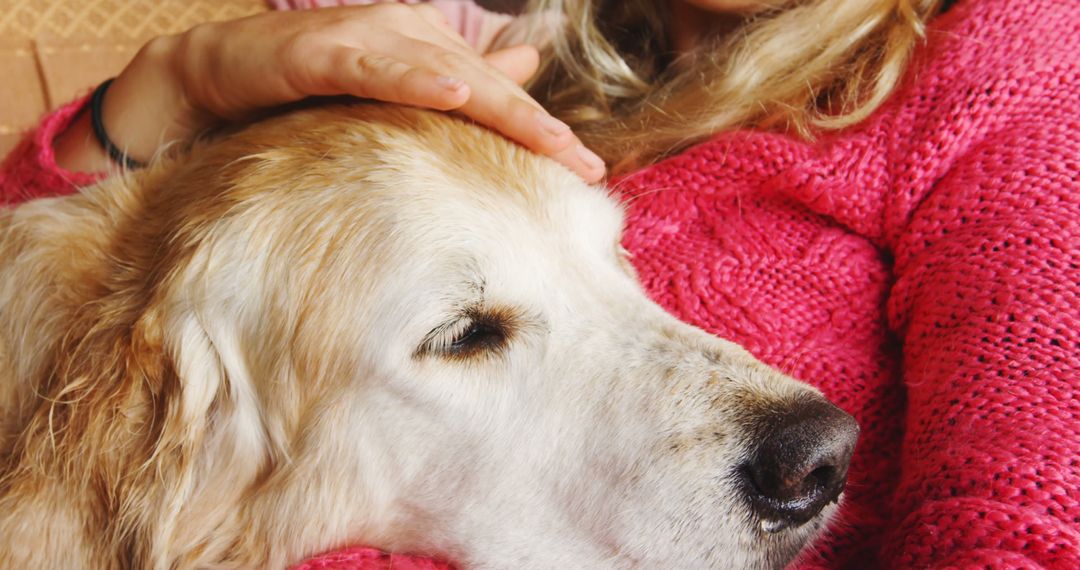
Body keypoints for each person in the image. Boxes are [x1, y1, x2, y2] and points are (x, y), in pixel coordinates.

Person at [2, 1, 1077, 568]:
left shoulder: (1009, 52)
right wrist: (169, 85)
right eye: (470, 331)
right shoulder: (505, 67)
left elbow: (1029, 522)